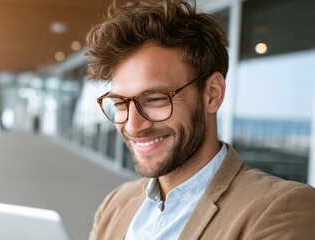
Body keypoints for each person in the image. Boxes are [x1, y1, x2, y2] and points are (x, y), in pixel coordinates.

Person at [85, 0, 315, 239]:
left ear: (212, 94)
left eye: (154, 99)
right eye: (120, 104)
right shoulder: (115, 204)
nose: (133, 125)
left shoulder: (279, 207)